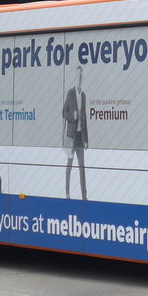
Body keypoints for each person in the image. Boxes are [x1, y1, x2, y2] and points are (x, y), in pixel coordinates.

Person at [61, 65, 88, 200]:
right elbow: (63, 112)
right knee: (69, 166)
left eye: (81, 76)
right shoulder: (70, 93)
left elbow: (85, 119)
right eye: (77, 75)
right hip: (71, 137)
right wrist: (73, 115)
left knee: (82, 167)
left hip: (80, 137)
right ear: (74, 77)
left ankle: (84, 197)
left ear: (82, 78)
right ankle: (67, 193)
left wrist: (86, 139)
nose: (79, 78)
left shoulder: (83, 96)